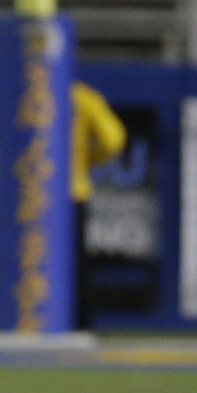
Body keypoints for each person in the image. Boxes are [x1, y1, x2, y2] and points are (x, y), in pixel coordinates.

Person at [70, 80, 127, 331]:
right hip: (71, 192)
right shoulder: (79, 96)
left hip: (28, 196)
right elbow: (113, 139)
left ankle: (29, 320)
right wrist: (89, 160)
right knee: (74, 266)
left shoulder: (24, 91)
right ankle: (79, 324)